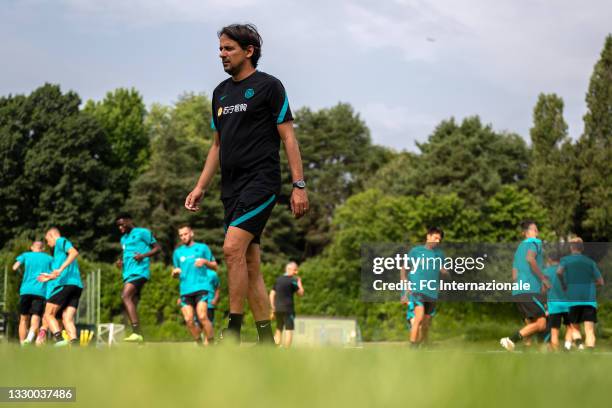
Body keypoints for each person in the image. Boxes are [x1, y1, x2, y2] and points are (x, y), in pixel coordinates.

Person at [185, 23, 308, 344]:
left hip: (262, 183)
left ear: (249, 51)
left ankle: (234, 328)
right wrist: (200, 187)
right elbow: (217, 146)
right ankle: (267, 341)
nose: (222, 54)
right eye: (220, 49)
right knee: (250, 264)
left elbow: (289, 138)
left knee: (230, 249)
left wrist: (299, 185)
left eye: (229, 49)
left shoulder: (269, 87)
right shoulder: (220, 93)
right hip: (231, 188)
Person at [500, 220, 551, 351]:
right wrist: (543, 279)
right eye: (536, 229)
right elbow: (530, 259)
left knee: (530, 324)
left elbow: (514, 273)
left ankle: (529, 352)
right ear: (533, 231)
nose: (537, 232)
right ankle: (510, 340)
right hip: (530, 290)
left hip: (519, 290)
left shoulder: (519, 249)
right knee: (541, 323)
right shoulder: (535, 242)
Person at [116, 213, 161, 343]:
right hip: (127, 274)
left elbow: (158, 248)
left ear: (130, 221)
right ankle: (141, 339)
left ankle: (136, 332)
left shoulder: (143, 232)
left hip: (140, 272)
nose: (120, 227)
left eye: (122, 224)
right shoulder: (123, 239)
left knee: (125, 296)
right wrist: (120, 263)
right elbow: (126, 255)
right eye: (118, 226)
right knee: (132, 303)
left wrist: (143, 256)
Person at [400, 227, 448, 347]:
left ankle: (423, 344)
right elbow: (404, 269)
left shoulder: (440, 255)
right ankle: (412, 346)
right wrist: (404, 288)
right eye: (435, 238)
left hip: (431, 292)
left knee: (426, 324)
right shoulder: (415, 251)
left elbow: (445, 273)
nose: (437, 241)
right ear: (428, 236)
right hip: (417, 290)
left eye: (439, 240)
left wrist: (444, 274)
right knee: (419, 317)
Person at [172, 225, 218, 345]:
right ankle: (199, 344)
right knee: (189, 320)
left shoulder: (202, 248)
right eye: (181, 235)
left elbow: (215, 265)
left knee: (202, 317)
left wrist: (205, 261)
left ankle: (212, 344)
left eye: (185, 234)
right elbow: (175, 270)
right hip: (185, 290)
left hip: (201, 288)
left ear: (191, 233)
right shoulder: (178, 252)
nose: (183, 237)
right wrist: (174, 273)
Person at [38, 228, 82, 347]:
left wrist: (60, 269)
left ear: (52, 235)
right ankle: (75, 345)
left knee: (48, 314)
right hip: (76, 286)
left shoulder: (60, 241)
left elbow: (74, 252)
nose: (48, 244)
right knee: (67, 318)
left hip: (65, 284)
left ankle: (59, 340)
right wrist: (50, 277)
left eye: (48, 240)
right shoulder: (59, 255)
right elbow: (59, 272)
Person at [557, 237, 604, 350]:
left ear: (571, 247)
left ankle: (579, 344)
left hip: (573, 299)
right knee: (589, 330)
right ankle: (589, 353)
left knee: (574, 328)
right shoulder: (590, 262)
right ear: (582, 248)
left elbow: (559, 272)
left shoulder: (566, 260)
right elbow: (601, 282)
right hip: (589, 300)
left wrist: (563, 284)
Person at [12, 241, 52, 345]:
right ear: (43, 249)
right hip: (40, 291)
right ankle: (29, 339)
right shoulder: (49, 258)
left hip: (26, 290)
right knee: (36, 316)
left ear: (32, 247)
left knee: (23, 319)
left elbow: (14, 267)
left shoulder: (26, 255)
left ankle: (22, 344)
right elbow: (55, 272)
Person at [542, 251, 573, 351]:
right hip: (568, 303)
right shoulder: (567, 271)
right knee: (570, 326)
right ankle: (567, 348)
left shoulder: (545, 272)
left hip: (553, 304)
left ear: (550, 260)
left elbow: (543, 290)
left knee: (554, 330)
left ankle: (555, 353)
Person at [270, 262, 304, 347]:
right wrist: (299, 282)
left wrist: (273, 307)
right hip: (288, 310)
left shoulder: (278, 280)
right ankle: (287, 350)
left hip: (277, 309)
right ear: (288, 269)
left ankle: (275, 347)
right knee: (289, 329)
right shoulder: (293, 281)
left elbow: (271, 294)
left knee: (279, 328)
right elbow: (301, 293)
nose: (296, 272)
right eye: (295, 270)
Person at [205, 269, 221, 344]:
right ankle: (204, 340)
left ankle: (208, 340)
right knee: (198, 322)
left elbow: (217, 288)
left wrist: (215, 298)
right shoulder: (194, 272)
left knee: (209, 322)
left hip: (209, 303)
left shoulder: (213, 274)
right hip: (198, 302)